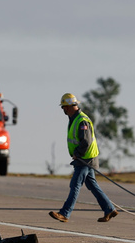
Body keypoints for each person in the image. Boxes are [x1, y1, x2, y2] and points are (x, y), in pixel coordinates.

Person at [50, 93, 119, 223]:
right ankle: (109, 209)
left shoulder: (81, 120)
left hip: (85, 158)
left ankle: (65, 213)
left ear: (69, 106)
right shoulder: (74, 119)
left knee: (75, 185)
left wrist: (77, 153)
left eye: (63, 107)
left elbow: (86, 142)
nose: (63, 110)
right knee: (92, 185)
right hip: (85, 157)